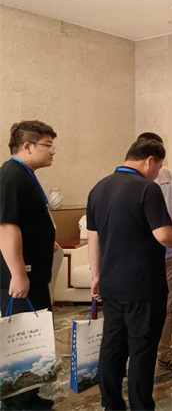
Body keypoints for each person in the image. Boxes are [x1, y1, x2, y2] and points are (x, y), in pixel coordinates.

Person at [87, 139, 172, 411]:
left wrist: (96, 275)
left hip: (111, 283)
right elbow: (163, 234)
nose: (157, 173)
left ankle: (111, 404)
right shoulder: (147, 189)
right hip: (144, 285)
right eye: (159, 166)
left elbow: (93, 238)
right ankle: (141, 406)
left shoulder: (99, 188)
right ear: (150, 160)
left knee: (112, 345)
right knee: (142, 349)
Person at [0, 121, 58, 411]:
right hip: (22, 276)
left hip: (35, 273)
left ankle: (29, 395)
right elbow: (6, 227)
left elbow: (27, 222)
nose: (52, 151)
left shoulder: (24, 175)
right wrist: (18, 273)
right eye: (48, 145)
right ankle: (17, 403)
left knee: (35, 336)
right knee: (21, 338)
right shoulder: (11, 177)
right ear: (27, 146)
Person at [136, 132, 172, 375]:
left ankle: (164, 354)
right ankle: (138, 355)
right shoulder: (132, 181)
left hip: (168, 256)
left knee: (166, 307)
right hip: (141, 258)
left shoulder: (168, 174)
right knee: (141, 307)